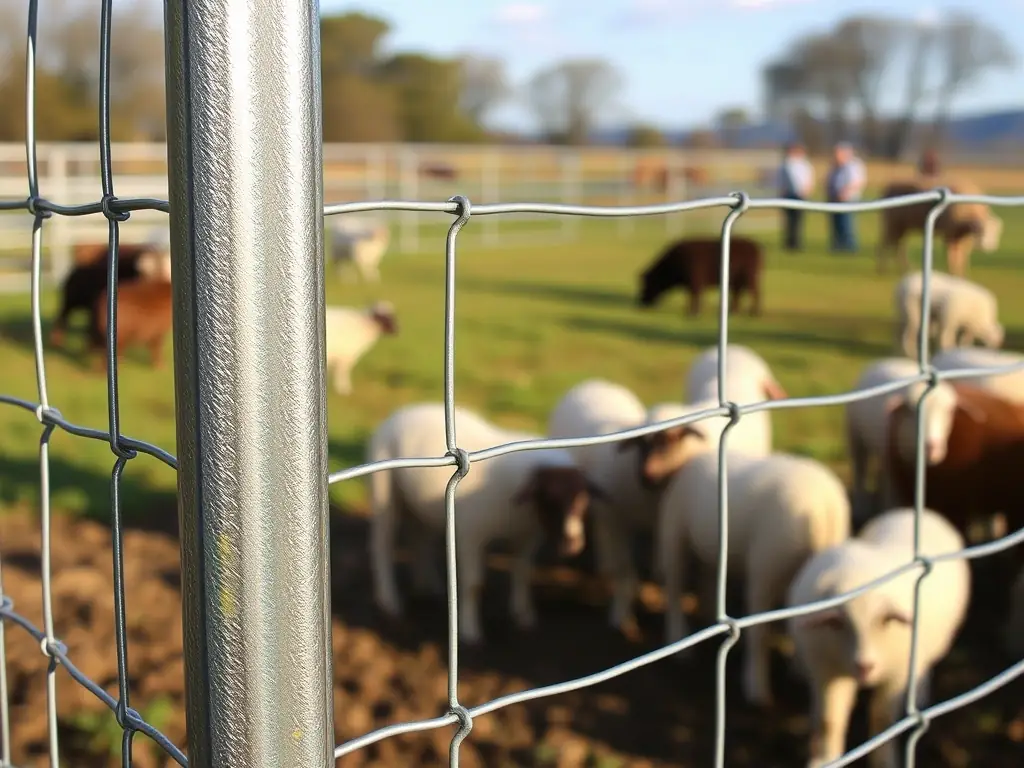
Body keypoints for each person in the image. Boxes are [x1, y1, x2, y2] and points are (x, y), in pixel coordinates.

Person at [825, 141, 866, 253]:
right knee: (836, 224)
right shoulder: (836, 166)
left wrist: (845, 192)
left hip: (848, 199)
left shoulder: (853, 165)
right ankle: (838, 245)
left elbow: (857, 181)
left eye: (838, 153)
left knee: (847, 224)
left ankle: (849, 246)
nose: (835, 155)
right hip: (835, 199)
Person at [776, 141, 814, 252]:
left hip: (800, 195)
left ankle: (796, 242)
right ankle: (789, 242)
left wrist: (806, 190)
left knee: (798, 220)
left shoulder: (805, 165)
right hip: (788, 195)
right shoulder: (786, 164)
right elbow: (783, 180)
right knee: (789, 220)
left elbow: (809, 179)